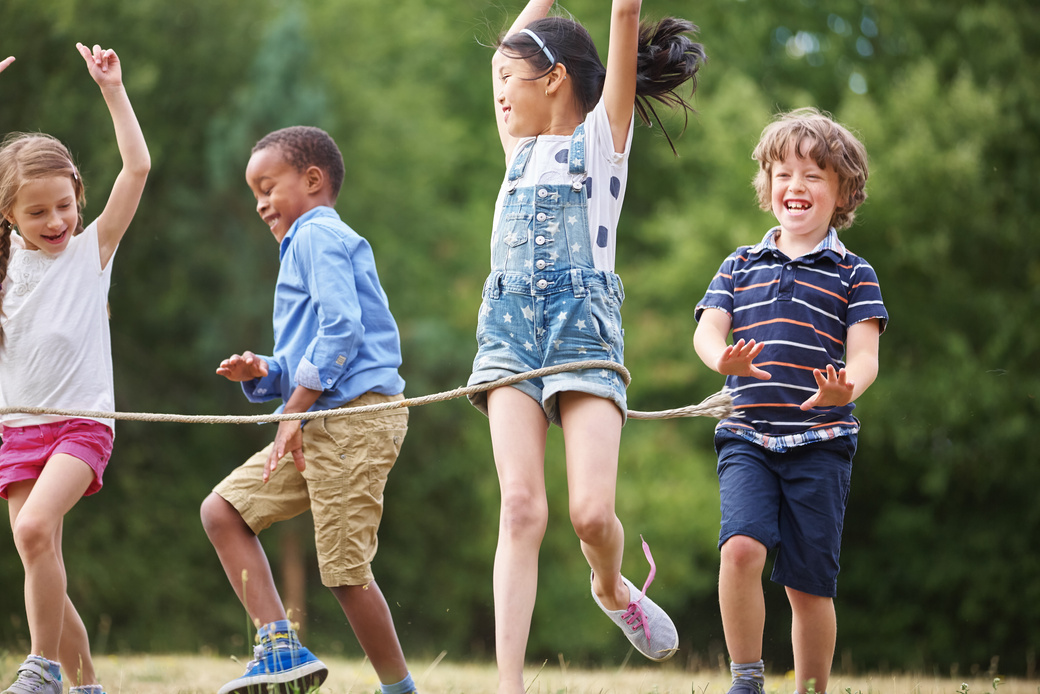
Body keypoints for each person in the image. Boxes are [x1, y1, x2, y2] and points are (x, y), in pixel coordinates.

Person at [466, 1, 705, 691]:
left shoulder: (604, 141)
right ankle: (509, 685)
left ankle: (610, 588)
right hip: (508, 331)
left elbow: (625, 11)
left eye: (511, 74)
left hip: (582, 331)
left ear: (555, 78)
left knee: (590, 515)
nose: (499, 89)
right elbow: (496, 55)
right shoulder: (515, 149)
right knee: (521, 507)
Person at [200, 125, 418, 694]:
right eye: (255, 194)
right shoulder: (303, 243)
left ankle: (401, 690)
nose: (260, 204)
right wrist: (267, 372)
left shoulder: (318, 235)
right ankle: (279, 648)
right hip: (320, 419)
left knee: (345, 574)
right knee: (224, 512)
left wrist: (292, 408)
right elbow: (320, 345)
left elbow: (342, 331)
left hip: (352, 422)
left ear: (313, 179)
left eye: (268, 187)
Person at [692, 108, 888, 694]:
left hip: (821, 444)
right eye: (782, 174)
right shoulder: (739, 264)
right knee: (741, 551)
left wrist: (844, 388)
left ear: (843, 192)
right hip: (748, 435)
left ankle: (810, 689)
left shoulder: (855, 275)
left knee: (807, 586)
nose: (794, 187)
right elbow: (707, 330)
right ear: (767, 185)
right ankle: (746, 680)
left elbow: (865, 355)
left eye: (813, 176)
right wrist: (720, 360)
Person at [0, 44, 150, 694]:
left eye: (63, 204)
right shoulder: (6, 266)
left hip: (81, 426)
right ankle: (87, 687)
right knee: (44, 562)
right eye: (36, 212)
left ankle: (42, 670)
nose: (56, 220)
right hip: (15, 431)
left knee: (35, 531)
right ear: (8, 215)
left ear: (78, 198)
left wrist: (112, 90)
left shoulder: (93, 251)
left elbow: (137, 168)